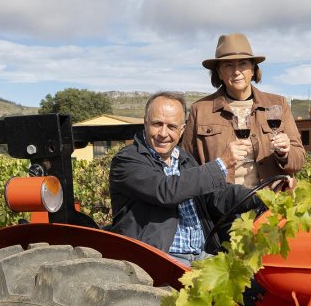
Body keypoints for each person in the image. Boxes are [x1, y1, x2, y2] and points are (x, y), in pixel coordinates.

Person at [109, 92, 259, 265]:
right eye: (157, 124)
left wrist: (259, 196)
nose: (163, 133)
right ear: (145, 123)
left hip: (202, 255)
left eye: (172, 127)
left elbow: (216, 195)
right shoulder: (127, 160)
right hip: (160, 258)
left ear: (182, 130)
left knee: (255, 283)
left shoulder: (184, 159)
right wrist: (222, 164)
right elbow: (166, 191)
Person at [182, 33, 305, 189]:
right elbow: (187, 167)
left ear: (253, 69)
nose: (236, 71)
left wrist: (285, 153)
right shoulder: (199, 110)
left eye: (243, 64)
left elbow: (299, 160)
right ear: (219, 72)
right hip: (223, 207)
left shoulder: (278, 104)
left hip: (271, 204)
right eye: (228, 65)